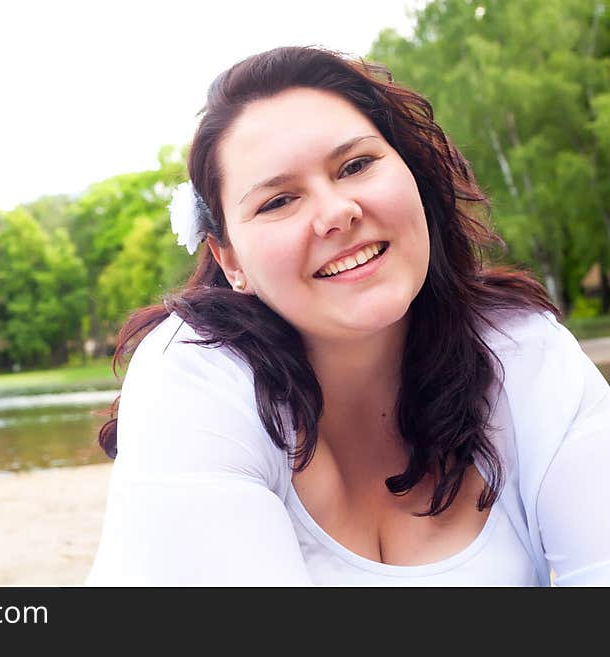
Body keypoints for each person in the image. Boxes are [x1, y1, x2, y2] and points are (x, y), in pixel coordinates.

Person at [85, 46, 610, 586]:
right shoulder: (192, 375)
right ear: (230, 260)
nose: (337, 213)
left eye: (356, 166)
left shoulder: (523, 353)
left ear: (413, 175)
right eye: (278, 201)